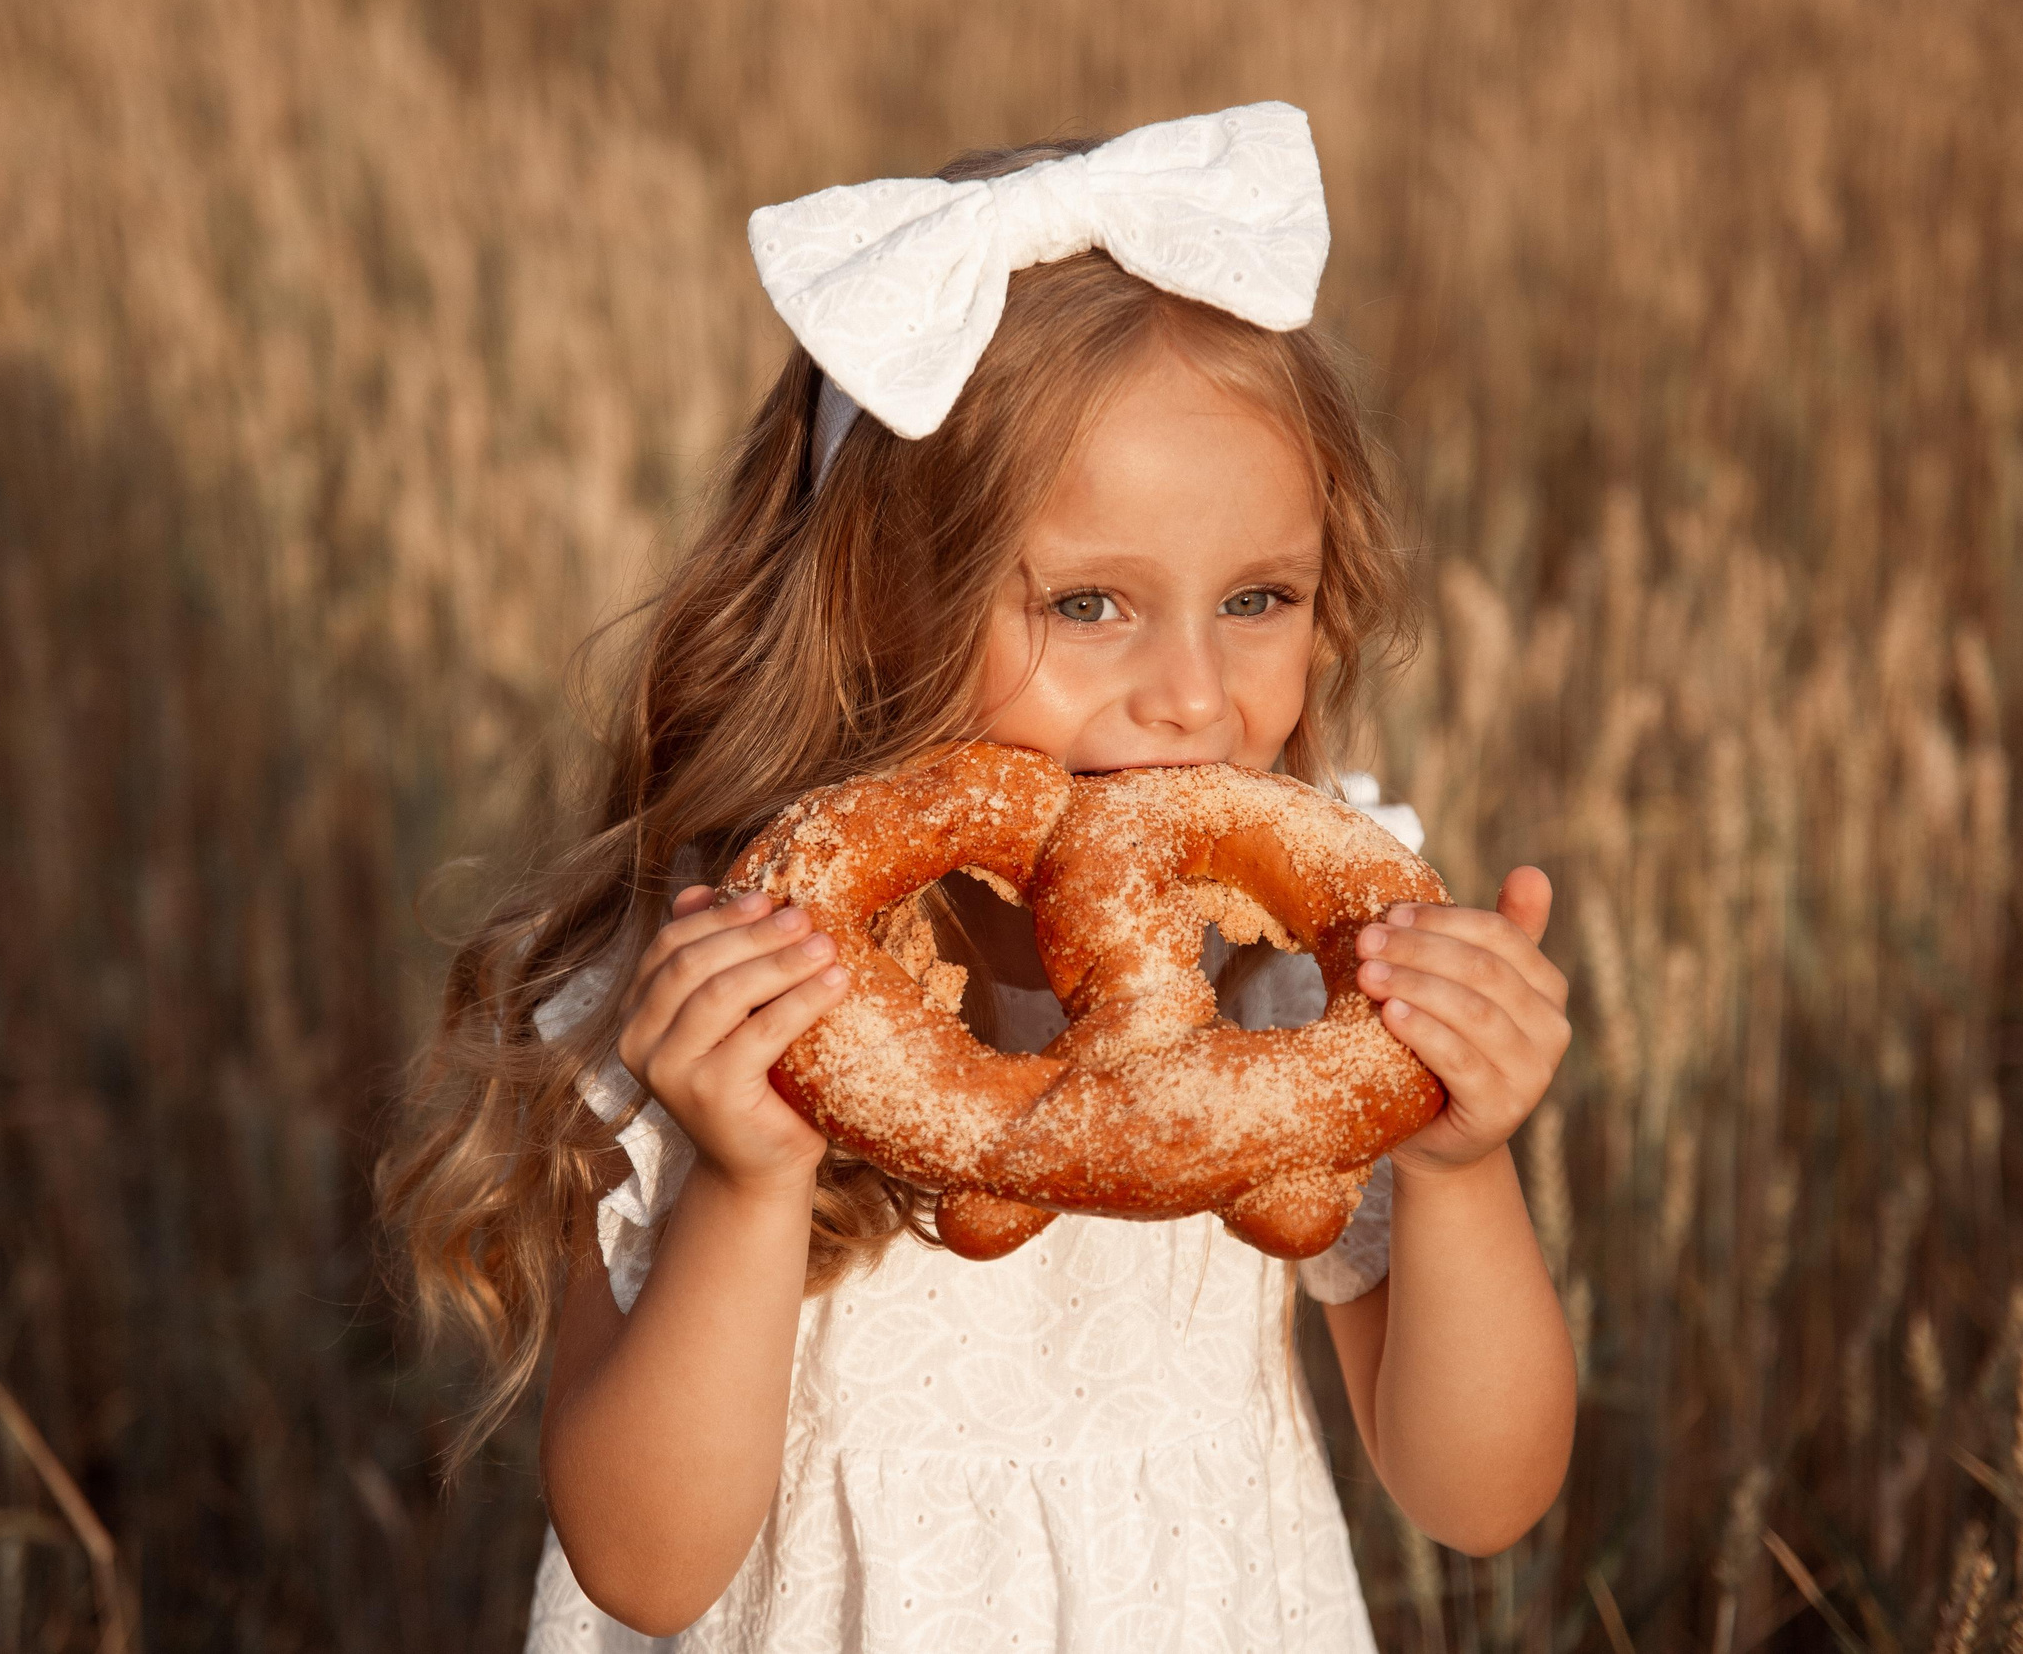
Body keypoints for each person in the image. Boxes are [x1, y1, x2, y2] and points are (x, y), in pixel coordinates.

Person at [378, 101, 1576, 1653]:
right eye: (1090, 606)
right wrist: (747, 1188)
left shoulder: (1300, 985)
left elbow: (1477, 1496)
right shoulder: (717, 986)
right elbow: (647, 1567)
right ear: (883, 605)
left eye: (1260, 597)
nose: (1194, 695)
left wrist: (1463, 1169)